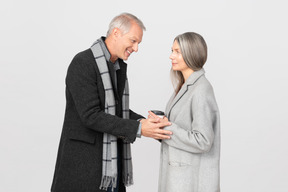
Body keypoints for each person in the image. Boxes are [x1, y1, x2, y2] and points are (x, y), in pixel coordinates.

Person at [51, 13, 172, 192]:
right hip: (84, 169)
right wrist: (138, 129)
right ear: (116, 33)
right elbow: (91, 115)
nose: (136, 48)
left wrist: (144, 122)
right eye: (133, 41)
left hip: (111, 169)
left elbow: (116, 110)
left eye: (138, 43)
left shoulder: (116, 65)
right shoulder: (83, 62)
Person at [149, 32, 220, 192]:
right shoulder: (184, 85)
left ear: (191, 54)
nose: (171, 56)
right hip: (178, 178)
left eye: (177, 52)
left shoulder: (201, 89)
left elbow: (203, 140)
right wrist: (159, 128)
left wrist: (166, 128)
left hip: (190, 182)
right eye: (172, 50)